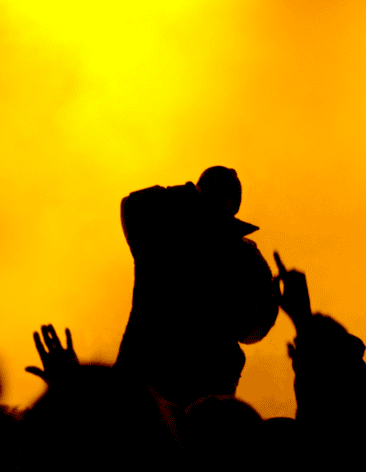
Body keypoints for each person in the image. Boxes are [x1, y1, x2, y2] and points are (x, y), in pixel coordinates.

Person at [114, 166, 279, 407]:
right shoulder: (160, 239)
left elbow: (253, 331)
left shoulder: (243, 255)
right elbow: (134, 204)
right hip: (149, 381)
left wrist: (264, 306)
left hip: (199, 391)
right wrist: (188, 195)